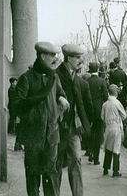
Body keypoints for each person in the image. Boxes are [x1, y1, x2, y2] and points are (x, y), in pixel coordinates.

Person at [13, 41, 69, 196]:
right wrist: (33, 113)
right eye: (52, 55)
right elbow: (16, 105)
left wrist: (62, 98)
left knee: (51, 175)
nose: (55, 59)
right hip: (33, 137)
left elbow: (60, 93)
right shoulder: (26, 78)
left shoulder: (54, 77)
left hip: (52, 135)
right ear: (43, 56)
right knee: (33, 176)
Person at [56, 44, 93, 196]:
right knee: (56, 164)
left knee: (76, 162)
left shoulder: (80, 81)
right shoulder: (55, 75)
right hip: (57, 128)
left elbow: (87, 106)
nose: (81, 61)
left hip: (73, 129)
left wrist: (85, 124)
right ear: (68, 58)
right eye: (77, 58)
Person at [101, 84, 127, 177]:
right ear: (116, 92)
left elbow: (102, 117)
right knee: (116, 148)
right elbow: (124, 116)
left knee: (108, 147)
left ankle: (105, 168)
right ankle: (115, 170)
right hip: (116, 126)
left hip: (108, 127)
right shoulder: (117, 103)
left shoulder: (105, 104)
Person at [86, 61, 108, 165]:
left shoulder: (86, 81)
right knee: (98, 134)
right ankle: (96, 158)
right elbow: (106, 97)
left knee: (90, 132)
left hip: (88, 111)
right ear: (98, 69)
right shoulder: (102, 81)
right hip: (99, 111)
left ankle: (89, 152)